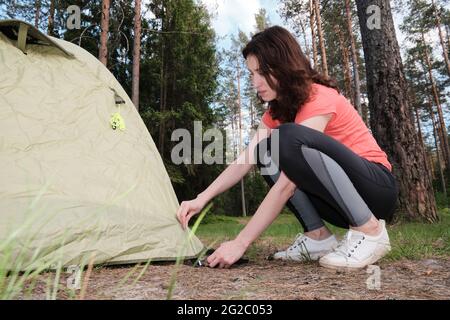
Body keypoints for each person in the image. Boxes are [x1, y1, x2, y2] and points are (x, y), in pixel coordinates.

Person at [176, 26, 398, 270]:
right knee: (264, 151)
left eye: (261, 72)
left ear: (284, 66)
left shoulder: (319, 97)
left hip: (376, 191)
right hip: (337, 204)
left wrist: (241, 242)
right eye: (251, 74)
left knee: (287, 138)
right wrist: (201, 198)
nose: (255, 82)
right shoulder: (276, 110)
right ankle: (318, 238)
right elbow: (246, 158)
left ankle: (371, 232)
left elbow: (286, 184)